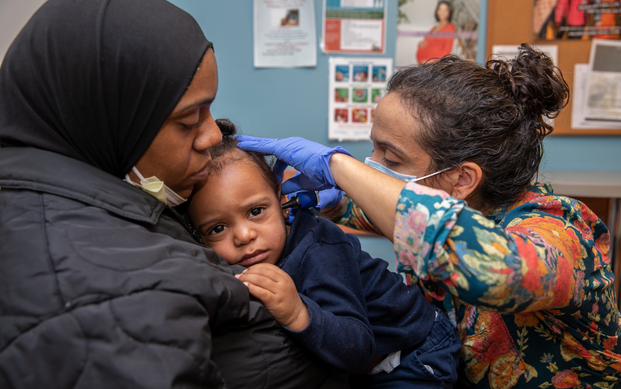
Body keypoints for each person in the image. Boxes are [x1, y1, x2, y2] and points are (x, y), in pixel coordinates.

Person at [0, 1, 346, 388]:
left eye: (210, 112)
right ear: (108, 121)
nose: (213, 135)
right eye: (188, 121)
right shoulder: (97, 294)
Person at [237, 44, 621, 388]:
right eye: (373, 151)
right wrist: (325, 199)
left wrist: (338, 166)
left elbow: (493, 268)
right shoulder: (445, 204)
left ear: (462, 179)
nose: (373, 166)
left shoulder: (560, 230)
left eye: (391, 158)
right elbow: (368, 209)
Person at [187, 119, 461, 388]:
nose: (244, 236)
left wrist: (297, 313)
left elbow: (358, 347)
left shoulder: (320, 251)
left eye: (256, 211)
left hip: (416, 352)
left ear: (283, 201)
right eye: (217, 228)